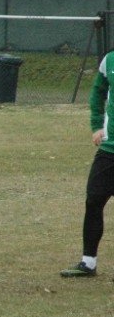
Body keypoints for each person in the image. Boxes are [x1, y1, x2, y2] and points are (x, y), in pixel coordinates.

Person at [61, 46, 114, 278]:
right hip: (109, 149)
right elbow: (97, 92)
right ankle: (88, 262)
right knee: (93, 199)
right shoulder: (110, 61)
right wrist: (96, 125)